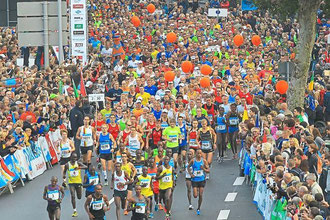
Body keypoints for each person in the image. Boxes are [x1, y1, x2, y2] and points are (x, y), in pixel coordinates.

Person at [63, 153, 87, 217]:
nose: (75, 159)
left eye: (76, 158)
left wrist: (79, 167)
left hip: (78, 182)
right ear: (71, 157)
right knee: (73, 195)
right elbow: (64, 172)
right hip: (71, 183)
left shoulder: (78, 163)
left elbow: (86, 167)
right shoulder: (67, 165)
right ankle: (75, 211)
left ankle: (80, 189)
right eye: (73, 158)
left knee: (79, 197)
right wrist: (64, 179)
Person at [188, 149, 210, 215]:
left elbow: (208, 170)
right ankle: (196, 190)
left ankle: (198, 208)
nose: (199, 155)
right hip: (194, 180)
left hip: (202, 180)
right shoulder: (193, 161)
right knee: (195, 195)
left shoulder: (204, 161)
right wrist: (191, 174)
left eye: (200, 153)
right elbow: (188, 167)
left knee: (200, 195)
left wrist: (203, 169)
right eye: (198, 153)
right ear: (196, 154)